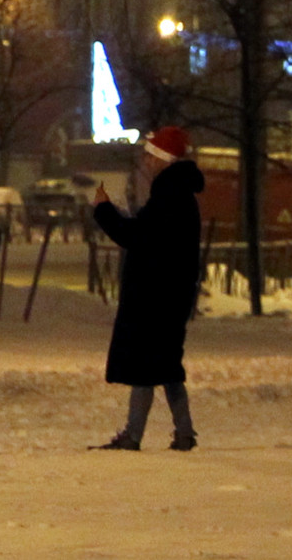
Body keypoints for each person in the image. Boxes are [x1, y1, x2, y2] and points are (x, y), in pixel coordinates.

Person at [90, 125, 205, 451]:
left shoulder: (169, 196)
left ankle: (134, 435)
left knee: (147, 364)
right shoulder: (178, 194)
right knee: (165, 364)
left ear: (162, 159)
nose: (146, 161)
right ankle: (184, 433)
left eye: (150, 155)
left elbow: (136, 237)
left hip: (157, 295)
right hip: (170, 294)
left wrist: (103, 210)